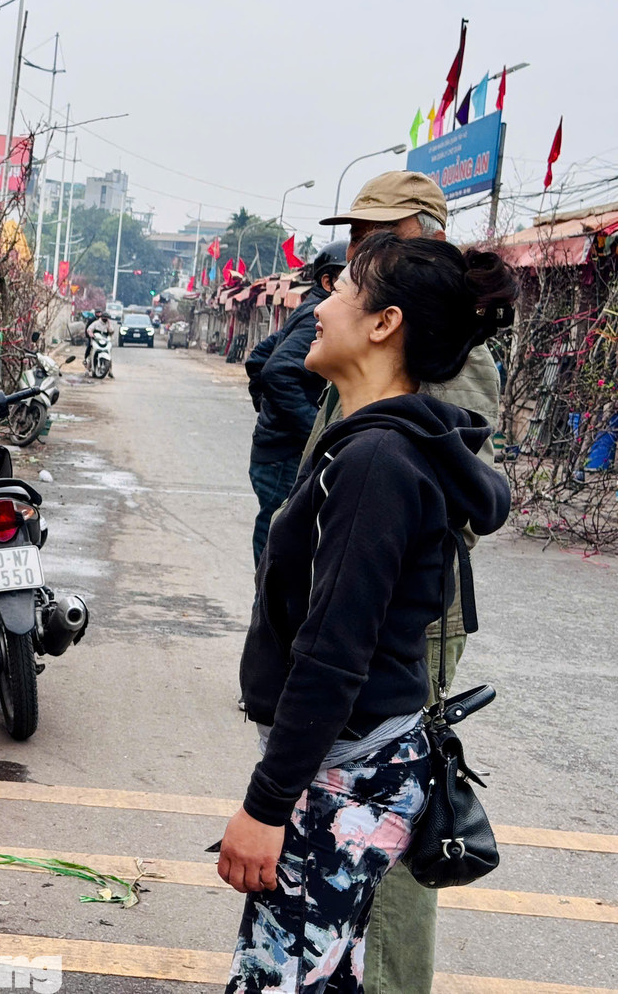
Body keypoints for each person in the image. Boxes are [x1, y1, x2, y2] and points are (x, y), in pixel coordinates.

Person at [219, 233, 515, 993]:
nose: (319, 306)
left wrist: (266, 804)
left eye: (343, 291)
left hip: (341, 777)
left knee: (278, 981)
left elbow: (333, 653)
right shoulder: (384, 445)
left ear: (384, 323)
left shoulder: (376, 463)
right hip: (358, 767)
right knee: (327, 976)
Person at [310, 172, 502, 994]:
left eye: (375, 233)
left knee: (383, 815)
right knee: (346, 818)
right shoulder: (368, 323)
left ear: (425, 231)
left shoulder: (448, 350)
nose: (357, 249)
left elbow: (447, 482)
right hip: (361, 600)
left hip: (403, 615)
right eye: (355, 235)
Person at [245, 241, 348, 565]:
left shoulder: (309, 308)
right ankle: (266, 608)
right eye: (350, 279)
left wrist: (268, 408)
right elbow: (276, 372)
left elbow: (259, 358)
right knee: (279, 538)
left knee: (277, 530)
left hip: (275, 448)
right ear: (328, 282)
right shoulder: (317, 318)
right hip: (284, 453)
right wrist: (316, 429)